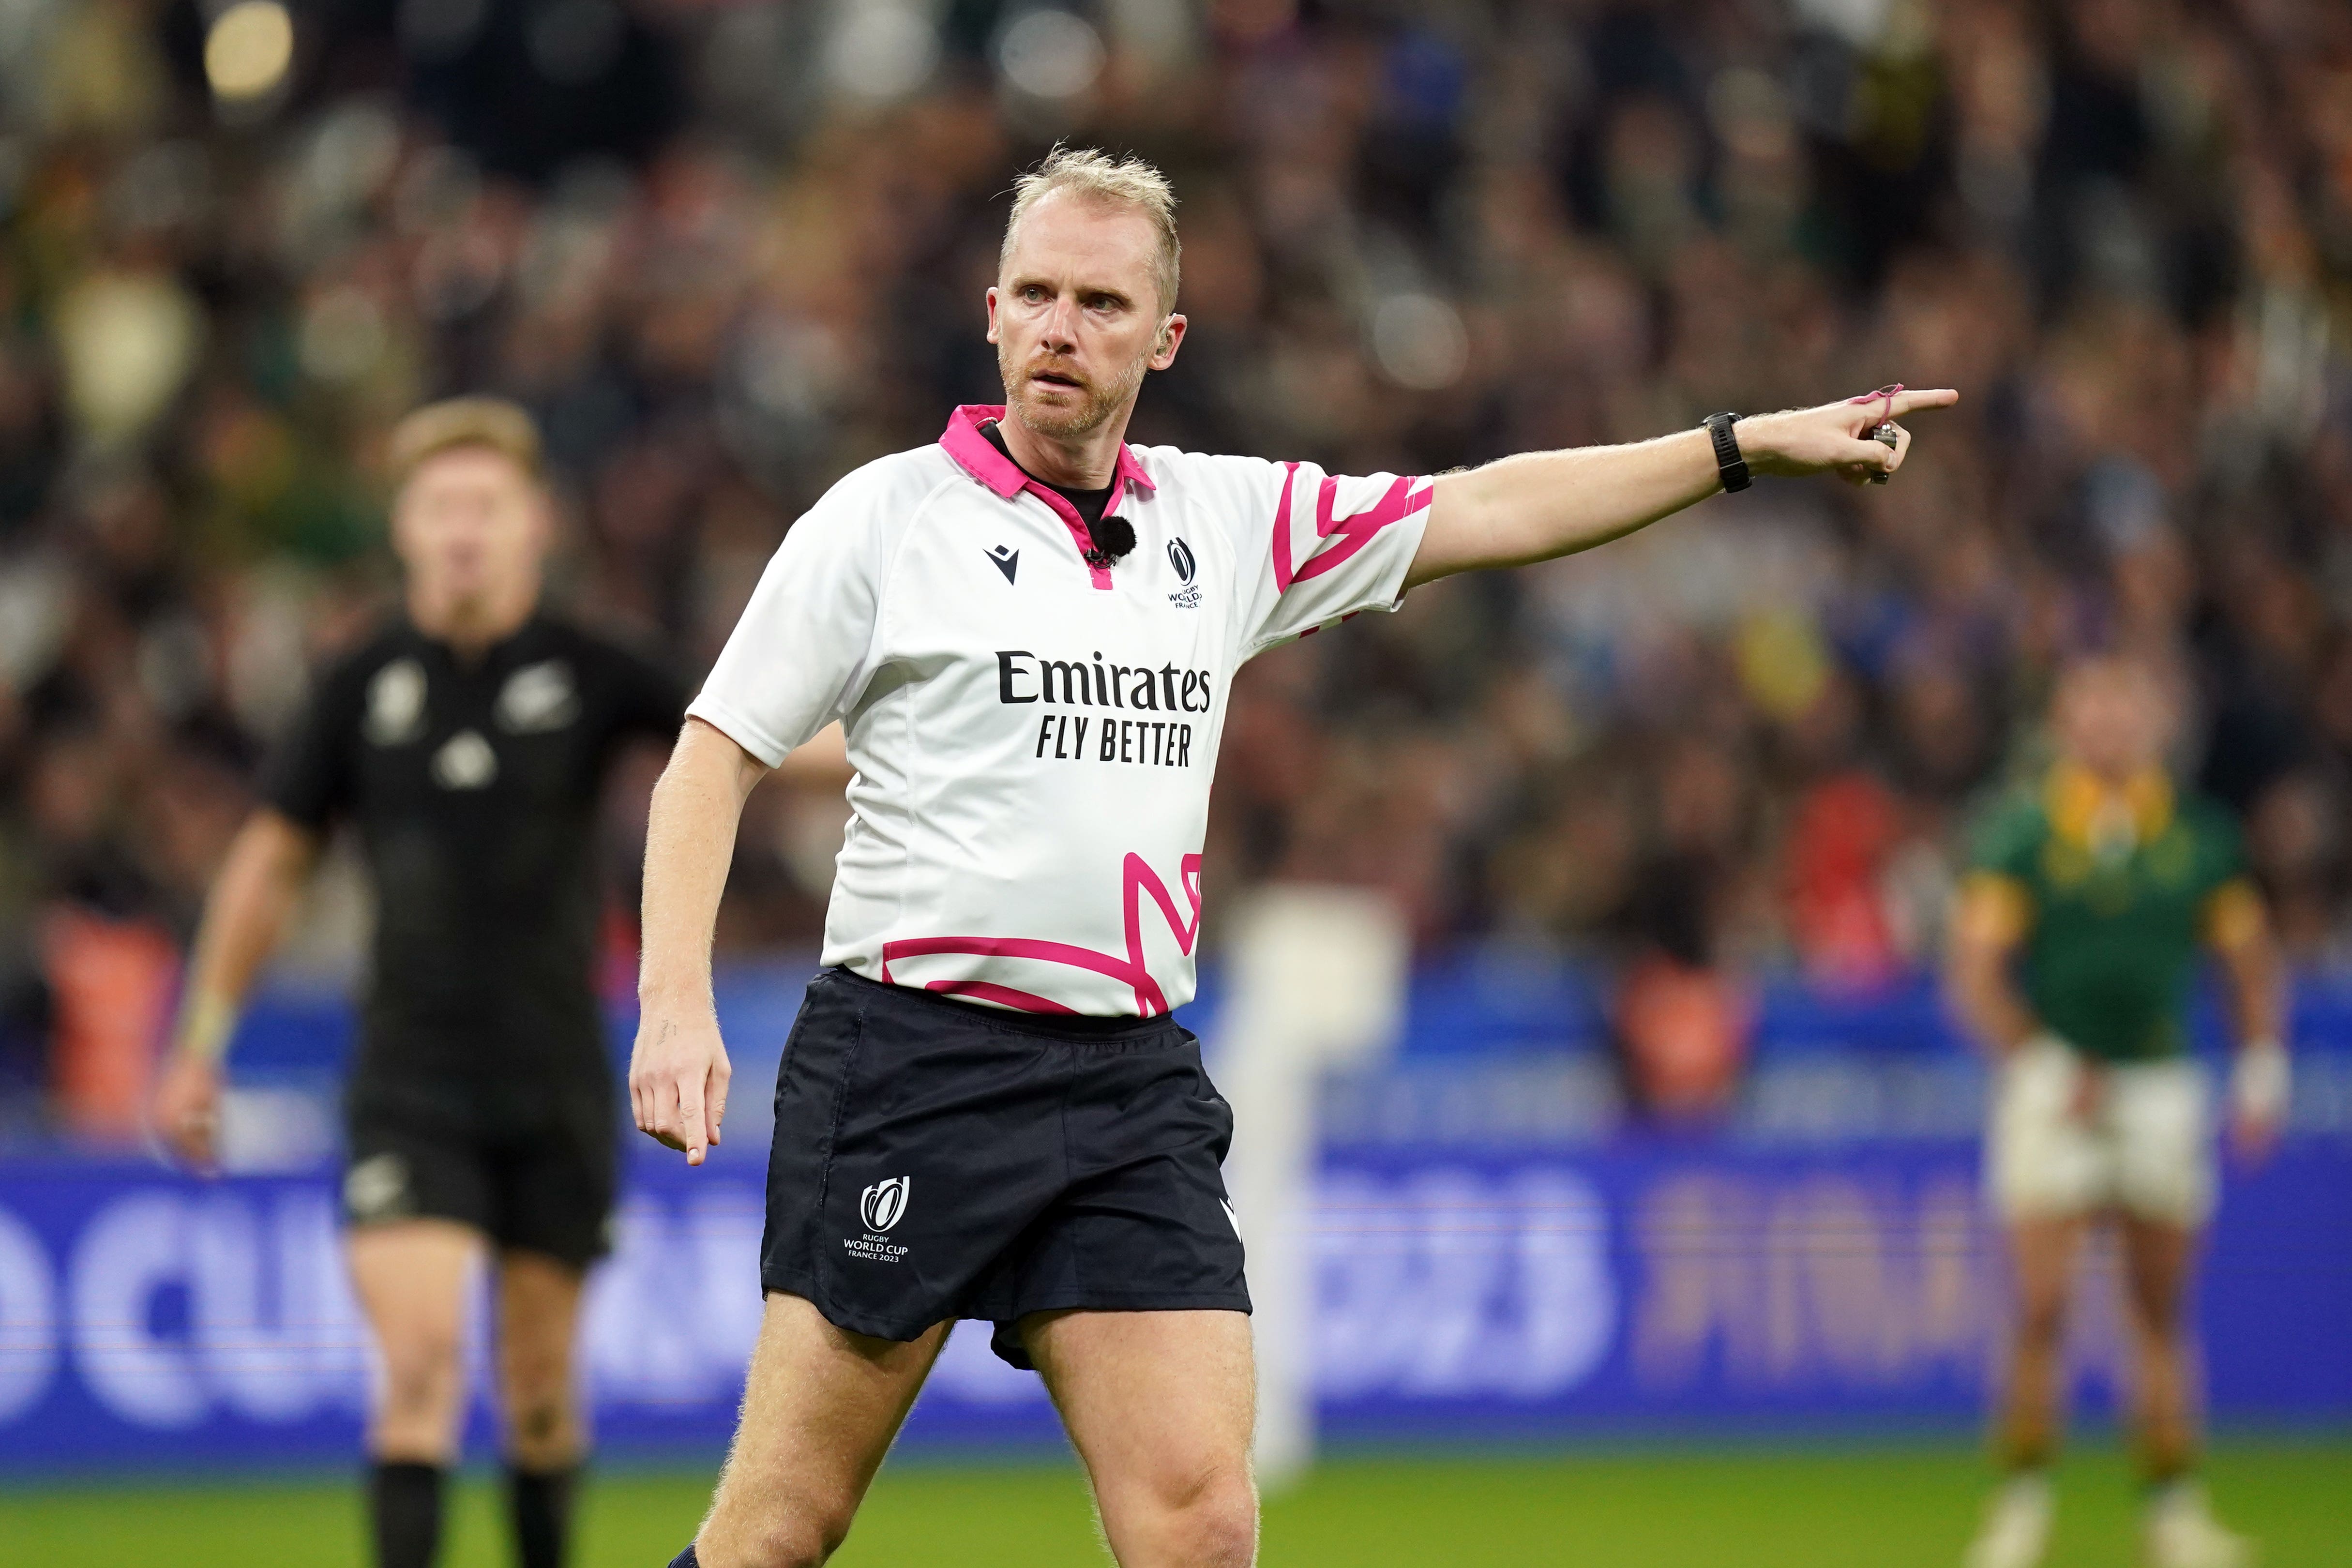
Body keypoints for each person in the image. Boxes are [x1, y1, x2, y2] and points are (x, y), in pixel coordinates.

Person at [629, 146, 1956, 1568]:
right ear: (992, 312)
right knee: (778, 1533)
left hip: (1124, 1083)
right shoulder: (880, 521)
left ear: (1166, 337)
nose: (1062, 327)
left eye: (1100, 300)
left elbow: (1485, 508)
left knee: (1202, 1527)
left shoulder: (1223, 520)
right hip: (913, 1065)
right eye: (1035, 294)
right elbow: (711, 756)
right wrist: (674, 1002)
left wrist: (1737, 446)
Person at [151, 398, 688, 1568]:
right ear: (403, 528)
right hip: (410, 1078)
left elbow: (744, 739)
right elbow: (268, 861)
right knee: (423, 1367)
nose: (463, 530)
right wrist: (200, 1040)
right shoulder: (358, 686)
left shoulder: (594, 667)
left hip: (554, 1081)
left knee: (542, 1393)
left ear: (533, 525)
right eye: (441, 506)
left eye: (485, 506)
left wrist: (912, 734)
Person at [1949, 656, 2290, 1568]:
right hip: (2051, 1086)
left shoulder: (2198, 837)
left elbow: (2249, 963)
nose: (2106, 728)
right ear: (2064, 725)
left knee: (2159, 1309)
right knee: (2041, 1303)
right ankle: (2020, 1508)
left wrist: (2262, 1069)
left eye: (2123, 709)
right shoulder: (2021, 836)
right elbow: (1973, 979)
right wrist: (2046, 1060)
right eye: (2090, 711)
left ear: (2151, 724)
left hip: (2158, 1085)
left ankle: (2173, 1511)